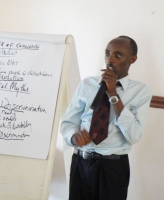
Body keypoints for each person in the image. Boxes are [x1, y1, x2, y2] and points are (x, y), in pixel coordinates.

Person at [60, 36, 152, 200]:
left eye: (118, 55)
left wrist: (113, 94)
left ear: (132, 59)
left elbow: (134, 135)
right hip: (81, 162)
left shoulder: (141, 91)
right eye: (107, 53)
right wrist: (74, 137)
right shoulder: (87, 84)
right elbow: (68, 122)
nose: (109, 59)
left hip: (113, 167)